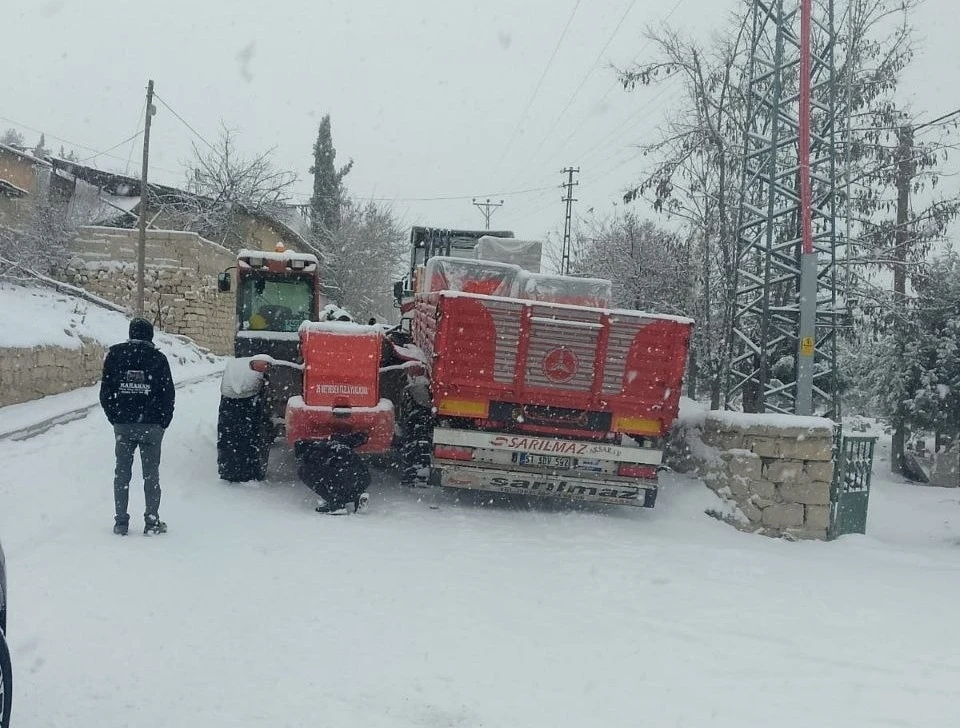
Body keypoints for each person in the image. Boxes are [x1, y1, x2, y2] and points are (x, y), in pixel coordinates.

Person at [99, 318, 175, 535]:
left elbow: (106, 392)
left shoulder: (115, 356)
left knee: (122, 475)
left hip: (123, 424)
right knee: (151, 476)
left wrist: (115, 417)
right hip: (151, 425)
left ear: (130, 333)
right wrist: (163, 421)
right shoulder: (158, 359)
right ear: (150, 335)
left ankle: (121, 522)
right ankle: (152, 521)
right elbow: (168, 394)